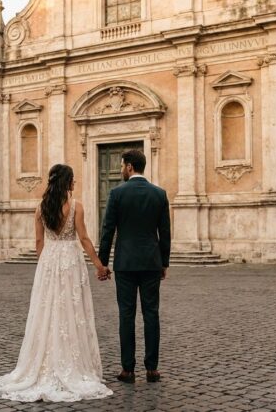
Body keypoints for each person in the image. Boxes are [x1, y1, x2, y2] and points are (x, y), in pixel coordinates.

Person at [0, 164, 113, 402]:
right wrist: (99, 265)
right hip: (70, 260)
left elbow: (38, 242)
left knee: (47, 311)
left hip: (49, 260)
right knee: (71, 311)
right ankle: (73, 365)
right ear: (67, 182)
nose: (75, 183)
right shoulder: (76, 207)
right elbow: (84, 238)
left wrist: (45, 266)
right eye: (73, 180)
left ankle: (42, 363)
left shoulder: (40, 209)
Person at [99, 149, 171, 384]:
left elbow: (108, 230)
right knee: (151, 314)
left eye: (122, 165)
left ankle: (127, 370)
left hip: (125, 264)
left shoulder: (117, 193)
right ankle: (152, 369)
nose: (120, 169)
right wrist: (164, 262)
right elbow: (165, 233)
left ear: (129, 167)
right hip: (151, 262)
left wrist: (102, 262)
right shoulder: (159, 194)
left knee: (126, 315)